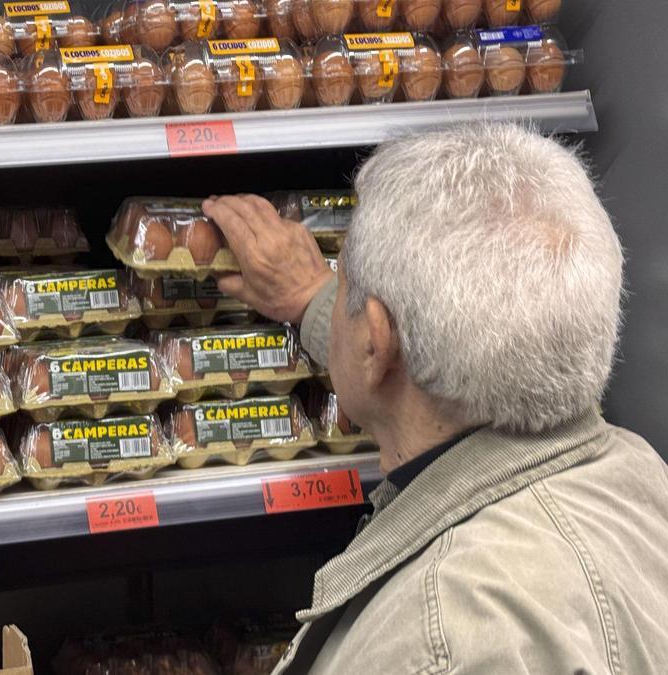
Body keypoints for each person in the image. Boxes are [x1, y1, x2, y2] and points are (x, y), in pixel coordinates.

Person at [203, 123, 668, 673]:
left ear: (375, 342)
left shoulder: (434, 641)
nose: (336, 287)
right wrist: (312, 299)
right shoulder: (640, 475)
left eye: (344, 277)